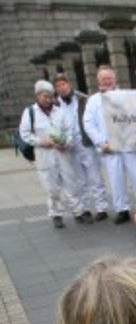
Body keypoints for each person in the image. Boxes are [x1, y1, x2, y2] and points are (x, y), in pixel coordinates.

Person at [82, 65, 136, 223]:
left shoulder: (125, 96)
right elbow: (88, 123)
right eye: (103, 78)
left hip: (128, 145)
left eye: (109, 77)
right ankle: (122, 209)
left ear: (115, 79)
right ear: (98, 80)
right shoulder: (93, 100)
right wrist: (101, 142)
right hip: (108, 147)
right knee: (115, 179)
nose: (107, 80)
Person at [19, 79, 83, 229]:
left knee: (71, 184)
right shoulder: (30, 113)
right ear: (37, 96)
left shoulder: (59, 111)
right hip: (45, 155)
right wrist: (41, 141)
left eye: (50, 96)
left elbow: (69, 132)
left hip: (62, 154)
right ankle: (56, 214)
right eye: (44, 96)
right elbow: (25, 134)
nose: (48, 99)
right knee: (51, 188)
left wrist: (66, 142)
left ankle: (78, 212)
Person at [52, 73, 109, 223]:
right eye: (58, 86)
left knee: (95, 176)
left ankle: (101, 207)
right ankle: (84, 208)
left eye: (63, 84)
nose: (61, 88)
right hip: (70, 146)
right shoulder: (55, 105)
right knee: (79, 180)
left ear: (69, 84)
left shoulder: (83, 98)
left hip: (86, 142)